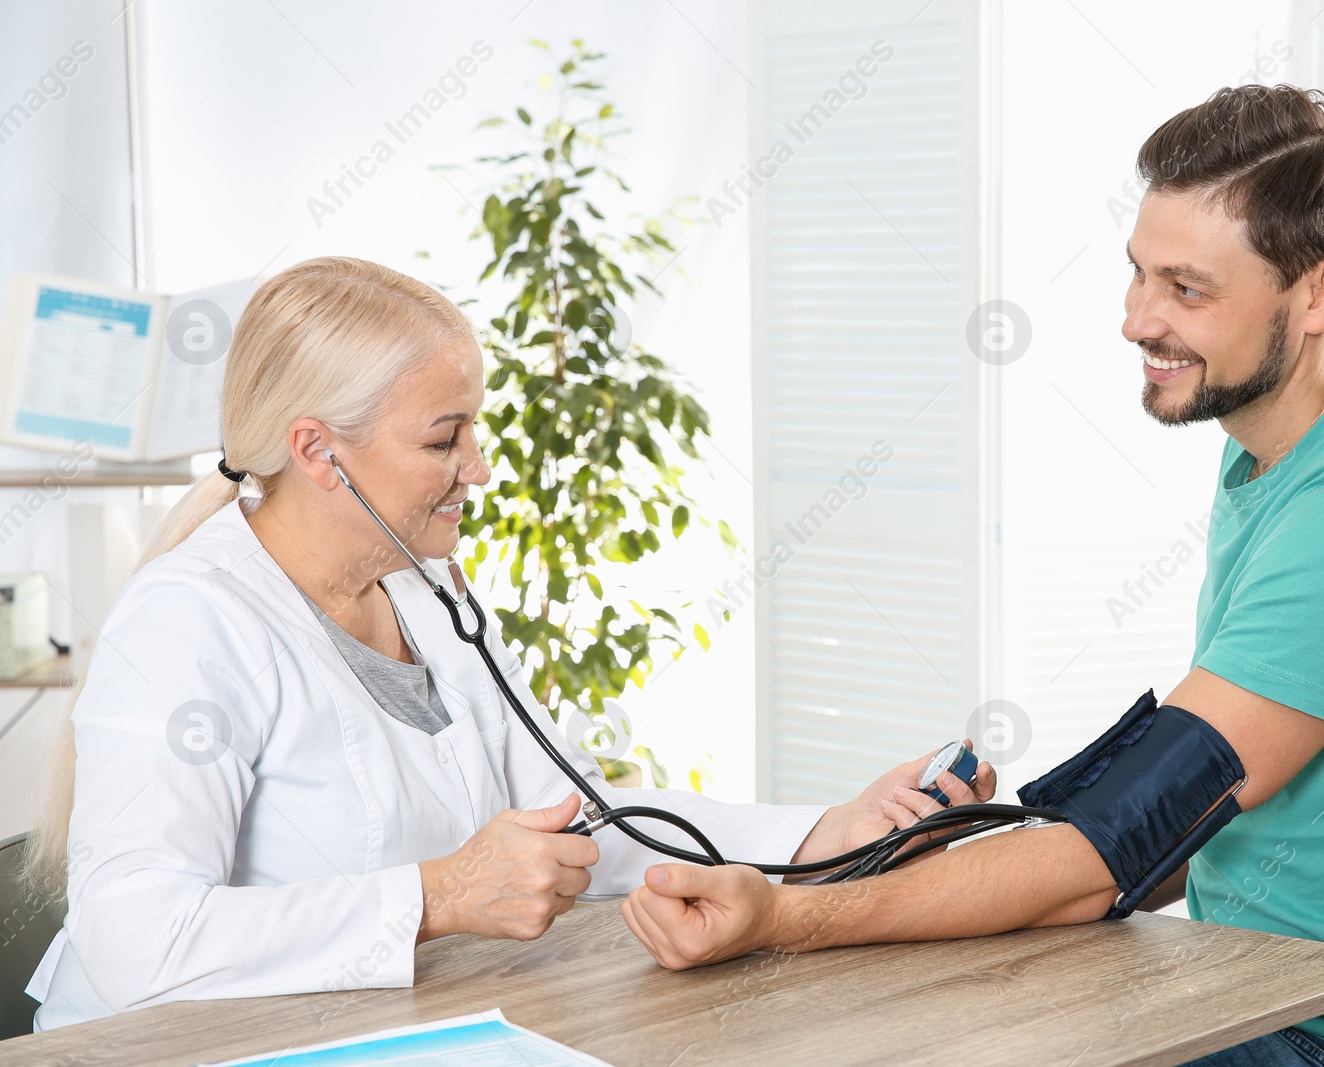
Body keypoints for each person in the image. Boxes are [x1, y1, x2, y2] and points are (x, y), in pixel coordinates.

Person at [618, 85, 1324, 1067]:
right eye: (1138, 274)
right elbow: (1163, 827)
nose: (1135, 320)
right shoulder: (1284, 447)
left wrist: (788, 914)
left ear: (1321, 291)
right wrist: (970, 853)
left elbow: (1122, 843)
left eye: (1186, 290)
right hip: (1246, 984)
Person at [19, 256, 996, 1030]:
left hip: (382, 1028)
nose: (477, 469)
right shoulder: (188, 622)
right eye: (445, 439)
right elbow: (134, 937)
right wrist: (440, 892)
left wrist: (826, 831)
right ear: (319, 451)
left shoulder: (423, 582)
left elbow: (571, 818)